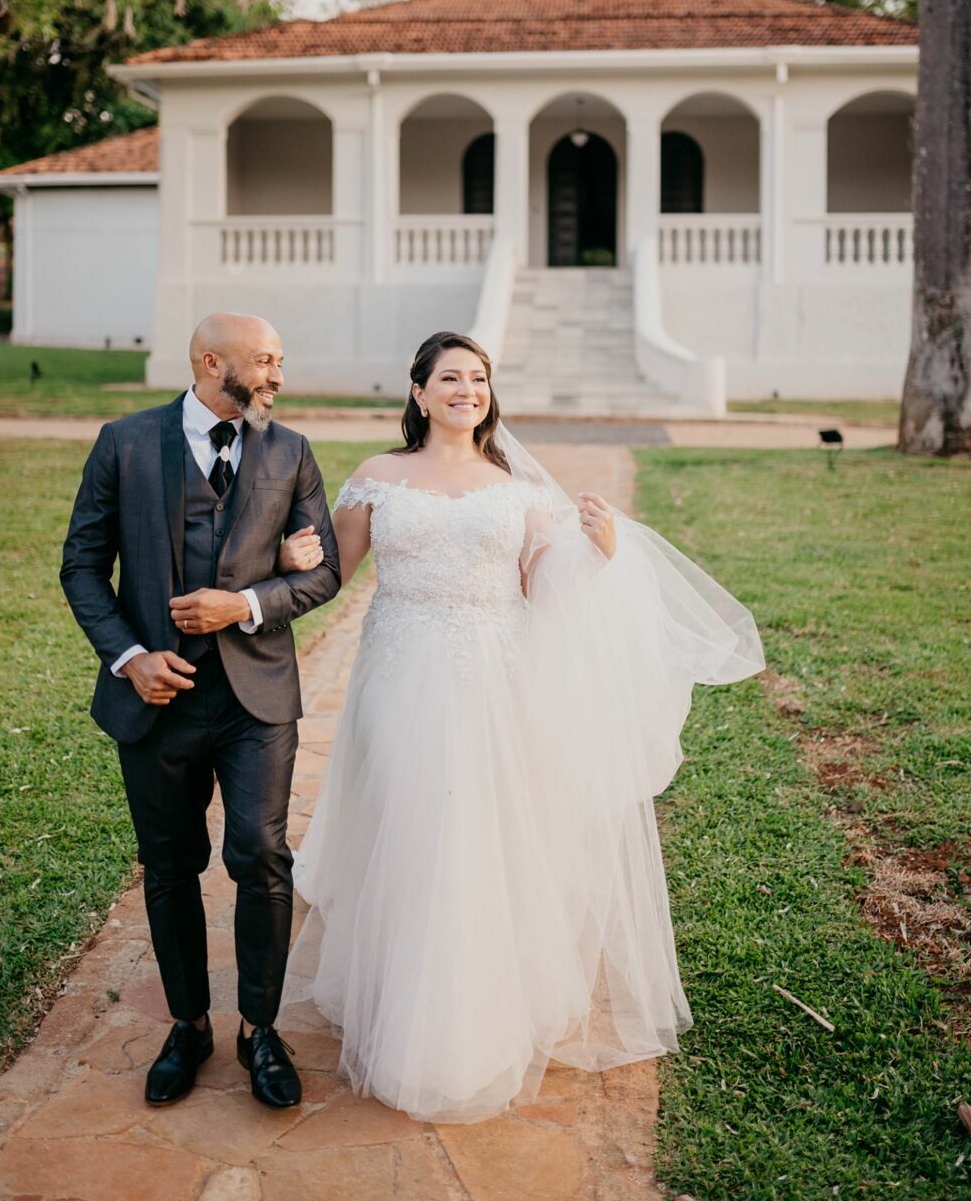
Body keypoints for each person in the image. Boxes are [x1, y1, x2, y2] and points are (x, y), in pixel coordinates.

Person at [274, 330, 765, 1124]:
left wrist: (602, 556)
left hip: (492, 680)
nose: (466, 389)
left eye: (478, 378)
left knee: (477, 838)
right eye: (450, 378)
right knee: (415, 832)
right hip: (399, 676)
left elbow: (545, 587)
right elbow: (336, 570)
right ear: (418, 392)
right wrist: (299, 559)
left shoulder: (516, 489)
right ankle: (401, 997)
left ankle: (468, 1018)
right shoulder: (377, 477)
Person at [60, 313, 340, 1111]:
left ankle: (259, 1029)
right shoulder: (123, 441)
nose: (277, 376)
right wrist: (129, 657)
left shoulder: (288, 451)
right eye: (264, 361)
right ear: (211, 362)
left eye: (281, 359)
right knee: (170, 863)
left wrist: (245, 602)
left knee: (260, 856)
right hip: (156, 698)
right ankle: (187, 1025)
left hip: (256, 700)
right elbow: (82, 565)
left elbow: (322, 574)